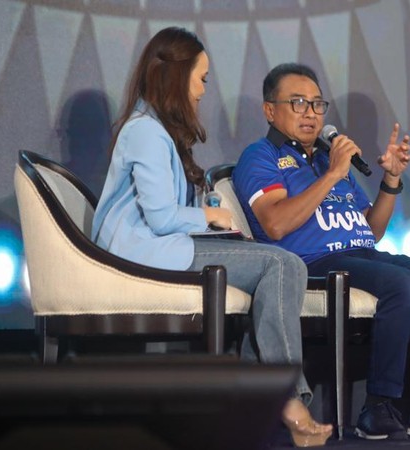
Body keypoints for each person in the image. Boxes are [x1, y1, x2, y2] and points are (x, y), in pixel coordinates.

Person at [90, 28, 332, 447]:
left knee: (274, 266)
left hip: (160, 246)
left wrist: (206, 206)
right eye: (201, 78)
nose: (204, 90)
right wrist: (209, 214)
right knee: (280, 261)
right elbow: (163, 219)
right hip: (142, 253)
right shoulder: (146, 131)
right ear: (177, 76)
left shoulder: (154, 128)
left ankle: (258, 399)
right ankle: (285, 398)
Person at [233, 62, 410, 441]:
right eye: (298, 103)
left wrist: (390, 180)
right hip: (311, 263)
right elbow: (275, 224)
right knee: (401, 284)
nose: (310, 113)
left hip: (361, 255)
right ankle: (378, 406)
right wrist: (331, 176)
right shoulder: (261, 157)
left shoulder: (328, 158)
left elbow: (369, 229)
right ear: (269, 110)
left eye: (317, 104)